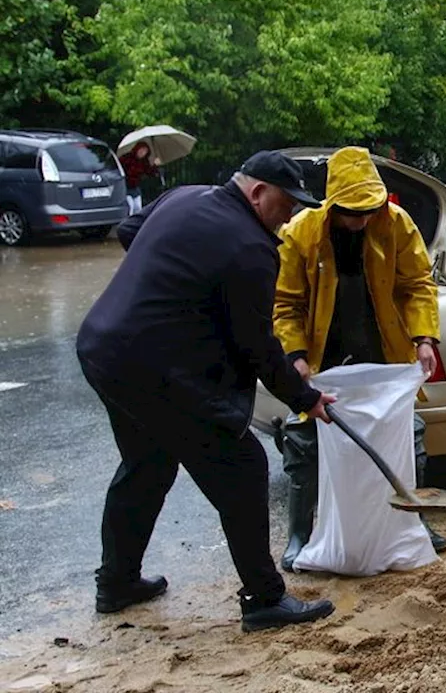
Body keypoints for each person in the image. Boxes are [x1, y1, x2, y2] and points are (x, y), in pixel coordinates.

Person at [77, 150, 339, 633]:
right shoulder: (251, 249)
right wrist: (305, 398)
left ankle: (117, 583)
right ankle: (264, 599)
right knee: (243, 466)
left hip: (102, 349)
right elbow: (258, 347)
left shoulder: (183, 196)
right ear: (258, 193)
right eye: (287, 204)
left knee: (148, 463)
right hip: (153, 371)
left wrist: (171, 288)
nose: (292, 216)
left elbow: (130, 233)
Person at [271, 145, 446, 570]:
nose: (361, 219)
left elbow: (417, 284)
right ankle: (299, 532)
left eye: (369, 209)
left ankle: (413, 522)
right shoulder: (301, 234)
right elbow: (285, 303)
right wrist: (295, 355)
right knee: (304, 443)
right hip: (323, 356)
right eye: (352, 211)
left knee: (409, 435)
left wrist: (424, 337)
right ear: (332, 205)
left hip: (381, 349)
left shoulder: (397, 225)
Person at [120, 142, 159, 215]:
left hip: (135, 187)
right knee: (130, 207)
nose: (142, 153)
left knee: (137, 207)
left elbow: (150, 172)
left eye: (145, 151)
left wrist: (155, 165)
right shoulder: (126, 158)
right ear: (137, 149)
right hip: (125, 186)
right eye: (141, 150)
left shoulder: (144, 161)